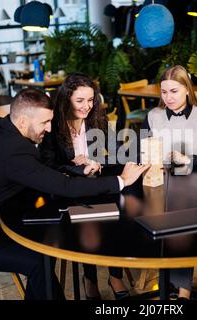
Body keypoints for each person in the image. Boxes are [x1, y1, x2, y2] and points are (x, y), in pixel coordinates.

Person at [0, 88, 149, 300]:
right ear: (22, 122)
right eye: (44, 123)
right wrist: (121, 181)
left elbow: (38, 172)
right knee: (39, 260)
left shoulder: (1, 127)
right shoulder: (13, 151)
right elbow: (63, 187)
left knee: (44, 244)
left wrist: (73, 170)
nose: (49, 129)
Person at [140, 65, 197, 299]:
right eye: (164, 92)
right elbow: (139, 151)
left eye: (174, 92)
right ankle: (169, 283)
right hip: (158, 184)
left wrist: (191, 159)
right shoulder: (152, 116)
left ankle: (183, 291)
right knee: (152, 219)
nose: (168, 98)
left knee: (181, 221)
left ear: (187, 91)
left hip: (191, 186)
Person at [39, 73, 129, 300]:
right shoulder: (53, 124)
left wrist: (100, 162)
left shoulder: (96, 118)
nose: (87, 106)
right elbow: (48, 166)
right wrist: (77, 167)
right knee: (89, 220)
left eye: (91, 100)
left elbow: (117, 153)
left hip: (97, 185)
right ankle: (90, 278)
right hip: (68, 191)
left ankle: (115, 275)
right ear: (67, 98)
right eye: (80, 101)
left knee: (118, 214)